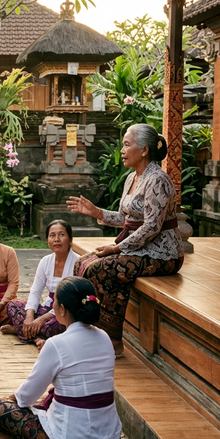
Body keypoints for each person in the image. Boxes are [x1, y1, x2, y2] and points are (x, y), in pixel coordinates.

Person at [67, 124, 184, 356]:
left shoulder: (158, 180)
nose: (122, 150)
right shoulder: (132, 177)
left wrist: (116, 248)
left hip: (162, 254)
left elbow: (152, 226)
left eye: (127, 144)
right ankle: (89, 332)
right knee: (82, 263)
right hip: (138, 248)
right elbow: (125, 218)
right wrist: (97, 212)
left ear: (144, 150)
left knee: (103, 268)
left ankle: (112, 342)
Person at [0, 277, 122, 439]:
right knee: (51, 399)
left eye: (55, 301)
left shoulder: (56, 344)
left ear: (63, 309)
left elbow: (26, 397)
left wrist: (9, 400)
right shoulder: (105, 337)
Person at [2, 220, 79, 349]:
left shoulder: (78, 262)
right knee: (12, 305)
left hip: (66, 311)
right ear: (47, 240)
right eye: (52, 235)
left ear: (70, 240)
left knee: (57, 327)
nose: (56, 239)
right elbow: (36, 291)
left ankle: (20, 330)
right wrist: (29, 316)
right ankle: (36, 337)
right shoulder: (45, 261)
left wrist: (42, 319)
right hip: (48, 307)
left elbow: (72, 300)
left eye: (61, 235)